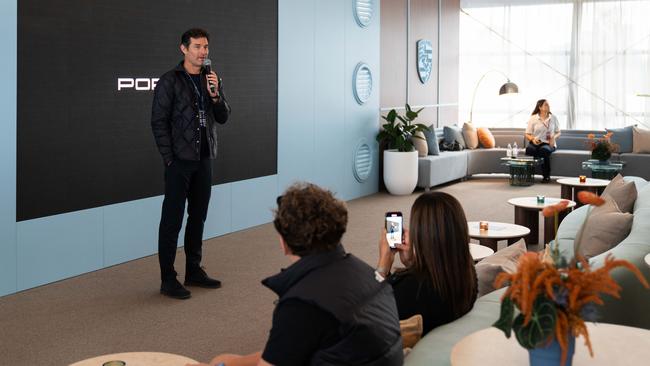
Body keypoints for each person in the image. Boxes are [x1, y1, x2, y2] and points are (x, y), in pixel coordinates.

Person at [189, 183, 403, 366]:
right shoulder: (368, 274)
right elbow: (285, 350)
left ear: (284, 243)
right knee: (227, 359)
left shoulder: (303, 303)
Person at [151, 28, 231, 299]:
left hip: (204, 158)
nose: (203, 52)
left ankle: (193, 270)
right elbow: (158, 122)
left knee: (198, 216)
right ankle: (168, 278)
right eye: (197, 46)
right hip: (179, 162)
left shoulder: (212, 78)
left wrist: (215, 95)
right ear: (183, 49)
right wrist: (169, 159)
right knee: (171, 220)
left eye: (206, 46)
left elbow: (223, 116)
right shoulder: (169, 81)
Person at [376, 192, 478, 335]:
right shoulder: (467, 274)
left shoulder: (410, 289)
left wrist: (382, 266)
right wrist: (412, 264)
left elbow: (371, 311)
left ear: (422, 233)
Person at [525, 99, 561, 183]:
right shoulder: (533, 118)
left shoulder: (553, 117)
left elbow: (559, 132)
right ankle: (529, 175)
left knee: (544, 150)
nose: (548, 106)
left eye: (548, 105)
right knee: (530, 149)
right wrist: (533, 139)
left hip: (548, 143)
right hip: (536, 141)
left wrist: (553, 138)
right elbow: (527, 134)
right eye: (546, 105)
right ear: (540, 107)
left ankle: (546, 176)